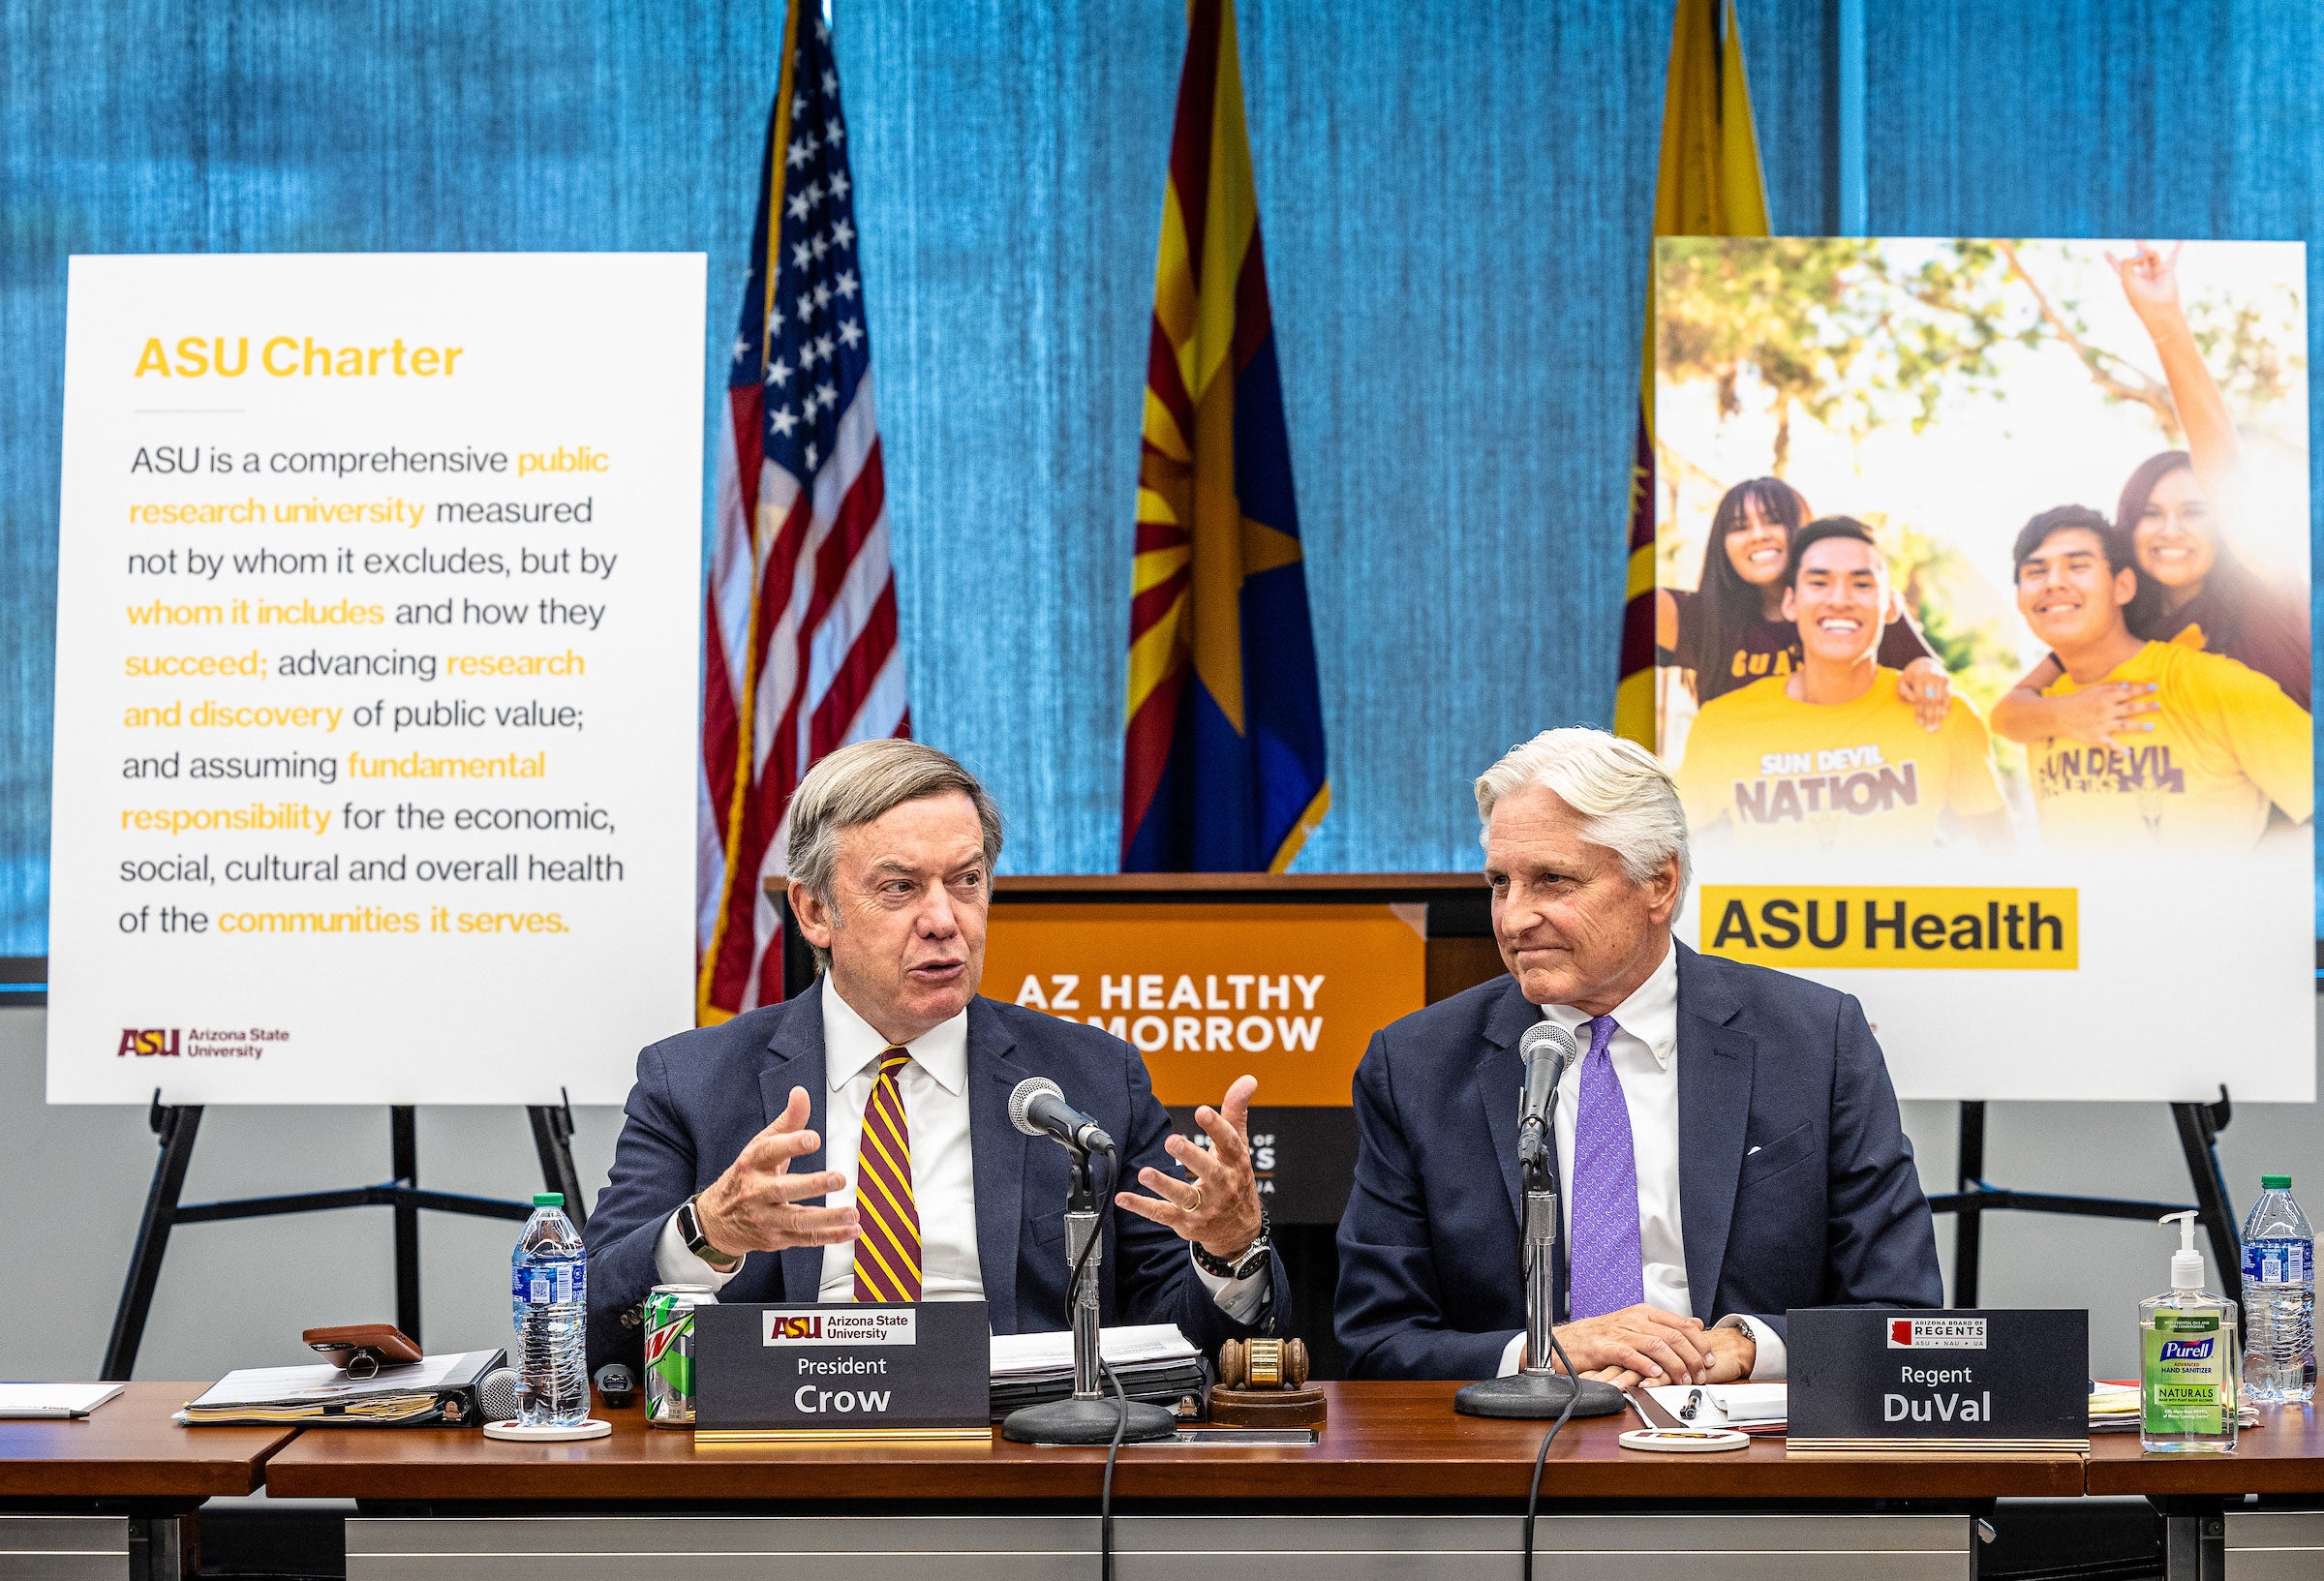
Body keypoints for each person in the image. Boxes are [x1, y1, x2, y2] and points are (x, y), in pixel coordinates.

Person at [585, 740, 1288, 1371]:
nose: (945, 920)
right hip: (786, 1456)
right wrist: (707, 1231)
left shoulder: (1090, 1079)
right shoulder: (692, 1081)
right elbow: (588, 1321)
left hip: (1020, 1456)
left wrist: (1227, 1251)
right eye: (900, 887)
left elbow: (1183, 1339)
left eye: (966, 880)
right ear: (814, 912)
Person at [1334, 728, 1942, 1385]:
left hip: (1741, 1461)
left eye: (1552, 881)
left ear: (1658, 883)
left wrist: (1745, 1349)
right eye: (1500, 882)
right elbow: (1375, 1341)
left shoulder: (1815, 1041)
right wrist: (1543, 1351)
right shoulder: (1417, 1065)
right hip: (1516, 1464)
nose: (1513, 918)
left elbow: (1899, 1313)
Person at [1992, 242, 2311, 750]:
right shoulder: (2130, 620)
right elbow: (2008, 714)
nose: (2171, 530)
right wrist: (2062, 711)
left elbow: (2223, 465)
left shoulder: (2264, 589)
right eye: (2151, 513)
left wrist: (2164, 322)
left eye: (2194, 512)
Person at [1674, 518, 2011, 853]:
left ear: (1891, 605)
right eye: (1819, 583)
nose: (1839, 599)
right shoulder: (1723, 723)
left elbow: (2001, 857)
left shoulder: (1941, 714)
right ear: (1790, 603)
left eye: (1862, 584)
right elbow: (1664, 856)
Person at [2009, 505, 2310, 851]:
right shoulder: (2040, 709)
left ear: (2122, 586)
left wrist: (2250, 875)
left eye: (2078, 566)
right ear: (2020, 597)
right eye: (2035, 571)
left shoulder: (2213, 685)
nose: (2054, 582)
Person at [1658, 476, 1955, 729]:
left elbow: (1927, 670)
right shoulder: (1701, 616)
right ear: (1722, 545)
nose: (1758, 535)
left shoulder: (1852, 608)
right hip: (1734, 789)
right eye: (1739, 526)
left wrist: (1929, 681)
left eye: (1773, 521)